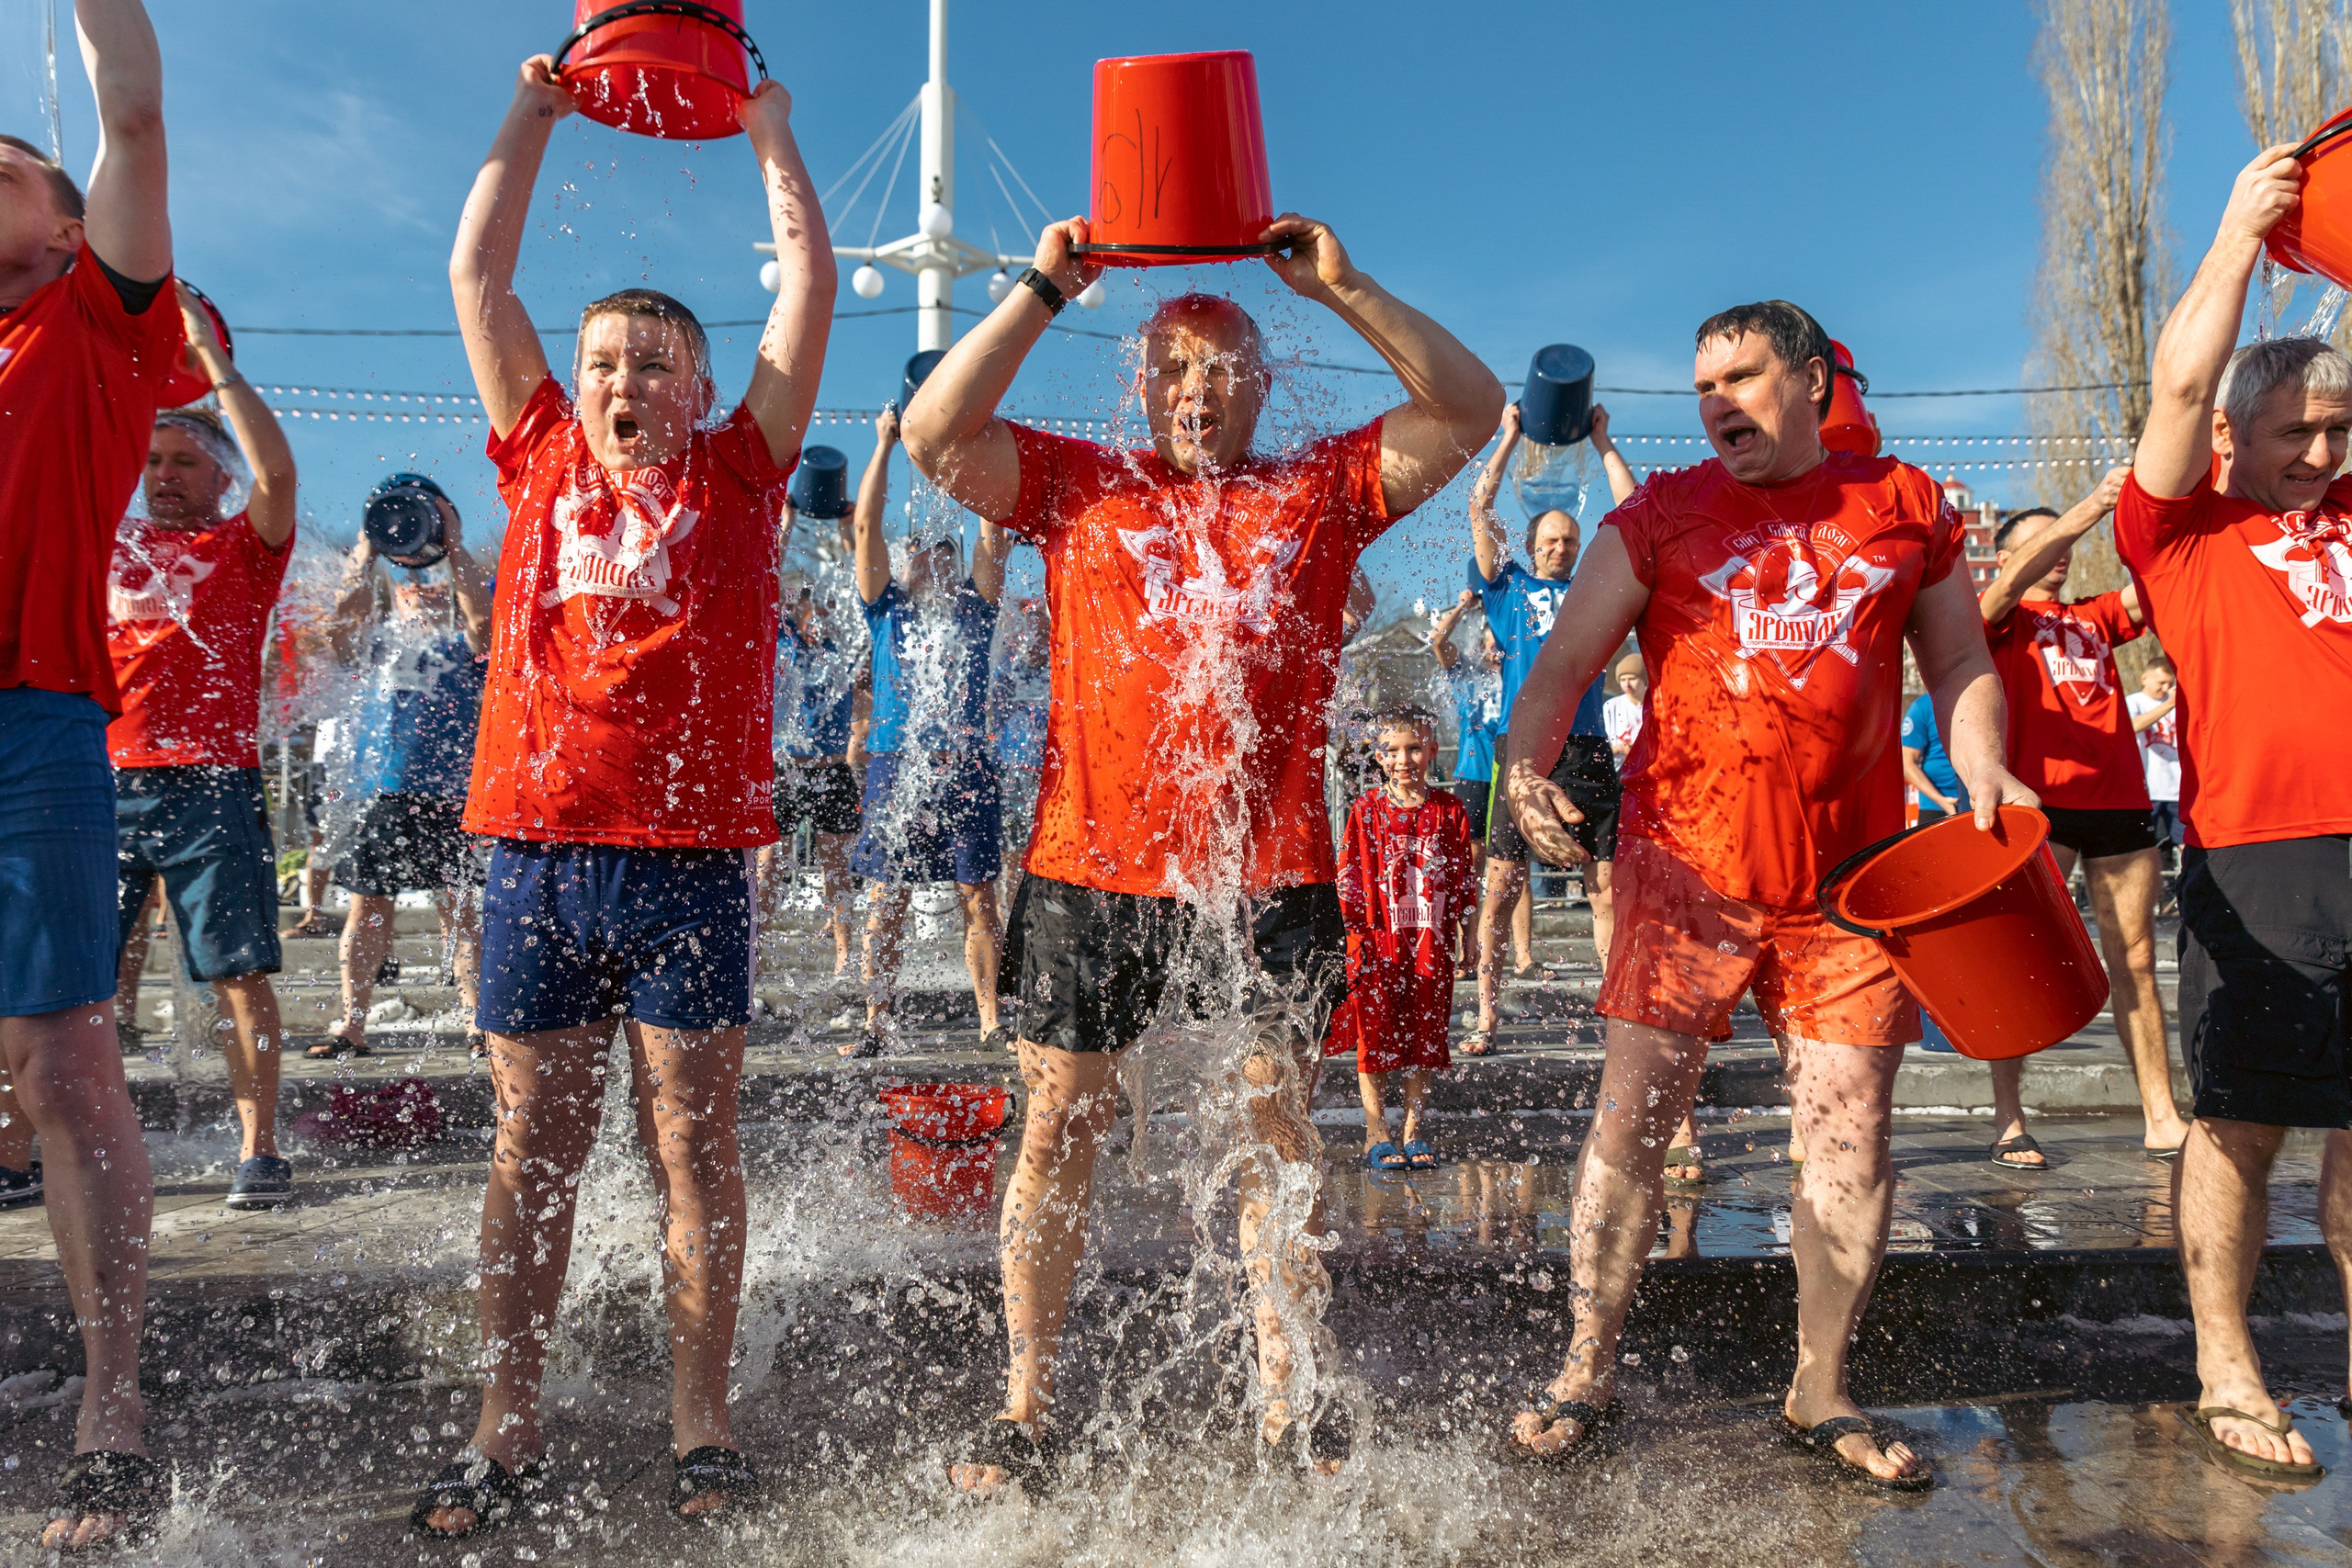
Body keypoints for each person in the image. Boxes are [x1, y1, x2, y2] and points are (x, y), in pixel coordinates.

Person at [900, 210, 1501, 1491]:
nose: (1196, 386)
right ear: (1139, 384)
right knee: (1057, 1122)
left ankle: (1292, 1399)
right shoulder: (1076, 486)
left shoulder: (1320, 493)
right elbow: (934, 434)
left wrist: (1343, 286)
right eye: (1170, 363)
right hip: (1087, 867)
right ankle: (1027, 1403)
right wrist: (1044, 287)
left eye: (1223, 361)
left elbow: (1467, 407)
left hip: (1268, 875)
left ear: (1261, 384)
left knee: (1275, 1125)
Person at [1499, 299, 2032, 1488]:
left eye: (1741, 375)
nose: (1716, 401)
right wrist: (1525, 769)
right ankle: (1586, 1364)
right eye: (1701, 385)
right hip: (1685, 875)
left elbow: (1957, 661)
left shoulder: (1905, 507)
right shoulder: (1659, 515)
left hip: (1850, 887)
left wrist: (1982, 758)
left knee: (1850, 1132)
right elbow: (1562, 665)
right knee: (1633, 1122)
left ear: (1809, 381)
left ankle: (1821, 1382)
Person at [413, 54, 831, 1537]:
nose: (621, 384)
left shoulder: (741, 473)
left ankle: (698, 1420)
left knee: (690, 1148)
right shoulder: (533, 458)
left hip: (691, 862)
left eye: (652, 364)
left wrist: (770, 136)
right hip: (533, 849)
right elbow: (478, 269)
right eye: (601, 362)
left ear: (701, 390)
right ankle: (503, 1416)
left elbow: (807, 291)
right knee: (535, 1149)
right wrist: (528, 112)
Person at [2112, 143, 2352, 1480]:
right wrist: (2236, 234)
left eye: (2337, 435)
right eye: (2294, 436)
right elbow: (2183, 378)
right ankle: (2227, 1361)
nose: (2320, 455)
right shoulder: (2185, 531)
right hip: (2260, 858)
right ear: (2232, 445)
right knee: (2244, 1124)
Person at [0, 5, 176, 1546]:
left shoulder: (93, 328)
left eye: (8, 167)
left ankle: (109, 1392)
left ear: (67, 230)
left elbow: (129, 107)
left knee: (60, 1069)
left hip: (33, 724)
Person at [107, 317, 299, 1209]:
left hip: (209, 783)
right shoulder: (106, 544)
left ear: (219, 473)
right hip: (95, 779)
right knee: (68, 979)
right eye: (151, 463)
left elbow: (280, 476)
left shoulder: (241, 551)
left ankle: (258, 1150)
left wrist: (211, 366)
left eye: (183, 461)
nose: (163, 477)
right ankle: (21, 1152)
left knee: (237, 973)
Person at [1978, 469, 2189, 1163]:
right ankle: (2010, 1119)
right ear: (2008, 554)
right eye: (2039, 540)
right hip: (2036, 806)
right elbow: (2007, 584)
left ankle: (2161, 1117)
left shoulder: (2094, 616)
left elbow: (2159, 584)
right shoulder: (1997, 615)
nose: (2058, 550)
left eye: (2061, 539)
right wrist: (2092, 504)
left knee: (2134, 961)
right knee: (2020, 963)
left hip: (2120, 804)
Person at [1465, 400, 1638, 1054]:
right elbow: (1480, 511)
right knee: (1500, 890)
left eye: (1569, 539)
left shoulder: (1596, 589)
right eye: (1550, 540)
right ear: (1532, 545)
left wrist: (1603, 443)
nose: (1561, 547)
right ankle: (1485, 1015)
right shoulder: (1507, 588)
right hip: (1523, 752)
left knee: (1605, 889)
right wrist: (1507, 434)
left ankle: (1617, 1011)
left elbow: (1633, 519)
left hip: (1588, 748)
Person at [845, 403, 1012, 1055]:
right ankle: (875, 1021)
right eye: (919, 552)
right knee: (886, 897)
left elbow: (994, 532)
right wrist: (886, 444)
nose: (930, 560)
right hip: (896, 763)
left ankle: (991, 1019)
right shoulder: (884, 611)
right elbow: (864, 526)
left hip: (965, 768)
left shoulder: (975, 613)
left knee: (980, 897)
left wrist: (973, 443)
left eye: (944, 554)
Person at [314, 487, 494, 1064]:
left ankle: (476, 1019)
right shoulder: (379, 624)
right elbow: (336, 635)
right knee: (368, 905)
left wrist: (456, 546)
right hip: (382, 787)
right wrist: (366, 551)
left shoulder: (468, 618)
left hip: (452, 790)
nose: (426, 585)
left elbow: (485, 629)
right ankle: (352, 1023)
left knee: (461, 905)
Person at [1326, 708, 1476, 1171]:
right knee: (1375, 1035)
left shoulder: (1448, 810)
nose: (1403, 758)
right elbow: (1348, 876)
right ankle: (1376, 1130)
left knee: (1424, 1035)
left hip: (1430, 942)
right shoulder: (1366, 808)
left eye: (1414, 748)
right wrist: (1348, 941)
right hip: (1377, 941)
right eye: (1391, 751)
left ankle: (1414, 1129)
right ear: (1377, 756)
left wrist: (1469, 939)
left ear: (1432, 749)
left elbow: (1466, 882)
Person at [769, 576, 863, 980]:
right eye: (815, 611)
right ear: (799, 611)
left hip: (832, 770)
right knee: (768, 863)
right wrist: (786, 522)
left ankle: (844, 954)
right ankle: (754, 946)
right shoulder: (781, 641)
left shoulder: (841, 651)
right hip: (787, 769)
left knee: (836, 868)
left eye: (828, 612)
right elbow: (768, 578)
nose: (822, 620)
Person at [1429, 590, 1506, 977]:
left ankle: (1516, 954)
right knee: (1469, 869)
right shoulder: (1466, 673)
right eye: (1490, 639)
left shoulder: (1521, 677)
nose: (1496, 647)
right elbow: (1438, 640)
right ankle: (1466, 950)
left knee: (1510, 866)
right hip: (1474, 775)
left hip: (1509, 775)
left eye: (1502, 641)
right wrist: (1462, 607)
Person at [2125, 658, 2180, 871]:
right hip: (2149, 790)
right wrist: (2168, 705)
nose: (2165, 688)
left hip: (2178, 790)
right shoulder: (2134, 702)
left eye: (2169, 683)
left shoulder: (2177, 703)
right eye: (2161, 683)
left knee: (2187, 846)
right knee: (2147, 848)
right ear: (2145, 678)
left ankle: (2180, 898)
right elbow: (2132, 726)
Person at [1901, 688, 1968, 823]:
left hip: (1975, 801)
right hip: (1935, 805)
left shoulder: (1976, 702)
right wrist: (1941, 801)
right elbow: (1907, 764)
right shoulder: (1921, 707)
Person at [1601, 651, 1645, 763]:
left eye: (1632, 678)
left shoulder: (1654, 706)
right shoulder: (1611, 706)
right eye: (1622, 680)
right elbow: (1601, 747)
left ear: (1644, 680)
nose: (1627, 684)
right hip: (1618, 767)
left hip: (1645, 765)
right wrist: (1620, 747)